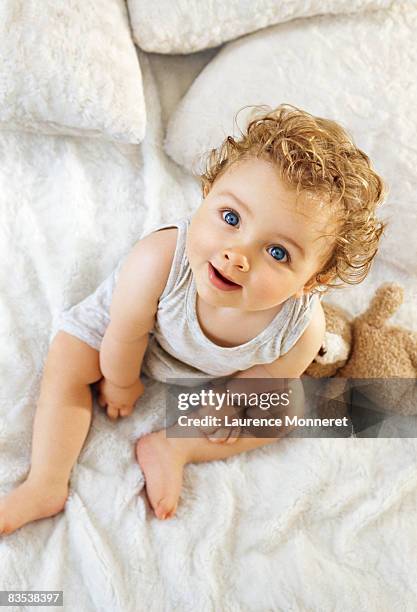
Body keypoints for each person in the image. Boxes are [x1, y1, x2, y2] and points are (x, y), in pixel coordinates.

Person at [0, 104, 386, 534]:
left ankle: (174, 447)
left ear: (311, 281)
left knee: (284, 412)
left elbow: (266, 375)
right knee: (69, 355)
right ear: (208, 191)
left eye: (277, 253)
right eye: (231, 218)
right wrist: (122, 381)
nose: (237, 255)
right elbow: (125, 331)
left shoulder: (300, 328)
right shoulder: (160, 259)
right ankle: (45, 483)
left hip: (214, 373)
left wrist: (224, 404)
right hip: (126, 339)